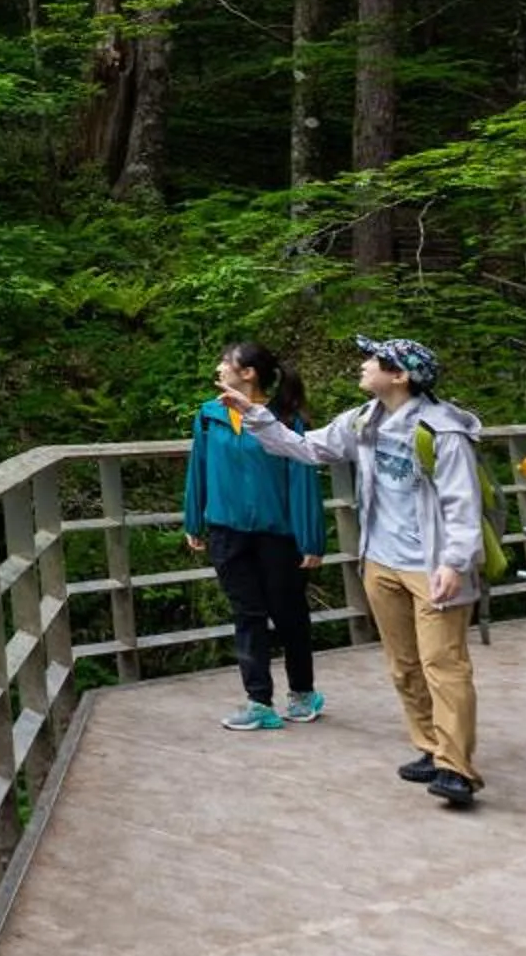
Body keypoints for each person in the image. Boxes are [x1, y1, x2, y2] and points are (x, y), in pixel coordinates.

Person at [218, 335, 488, 809]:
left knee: (443, 665)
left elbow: (462, 501)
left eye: (374, 360)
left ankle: (456, 769)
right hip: (381, 561)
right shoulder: (364, 420)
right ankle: (429, 747)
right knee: (403, 665)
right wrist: (256, 415)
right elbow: (306, 448)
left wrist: (455, 561)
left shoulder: (442, 430)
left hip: (432, 565)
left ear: (399, 376)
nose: (363, 365)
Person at [182, 342, 327, 732]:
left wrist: (311, 539)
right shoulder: (210, 415)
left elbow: (301, 478)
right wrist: (194, 519)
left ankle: (302, 693)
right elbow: (199, 466)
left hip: (278, 533)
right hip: (227, 531)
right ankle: (258, 700)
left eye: (225, 363)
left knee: (288, 614)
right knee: (247, 614)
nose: (218, 367)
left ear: (248, 374)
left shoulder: (283, 419)